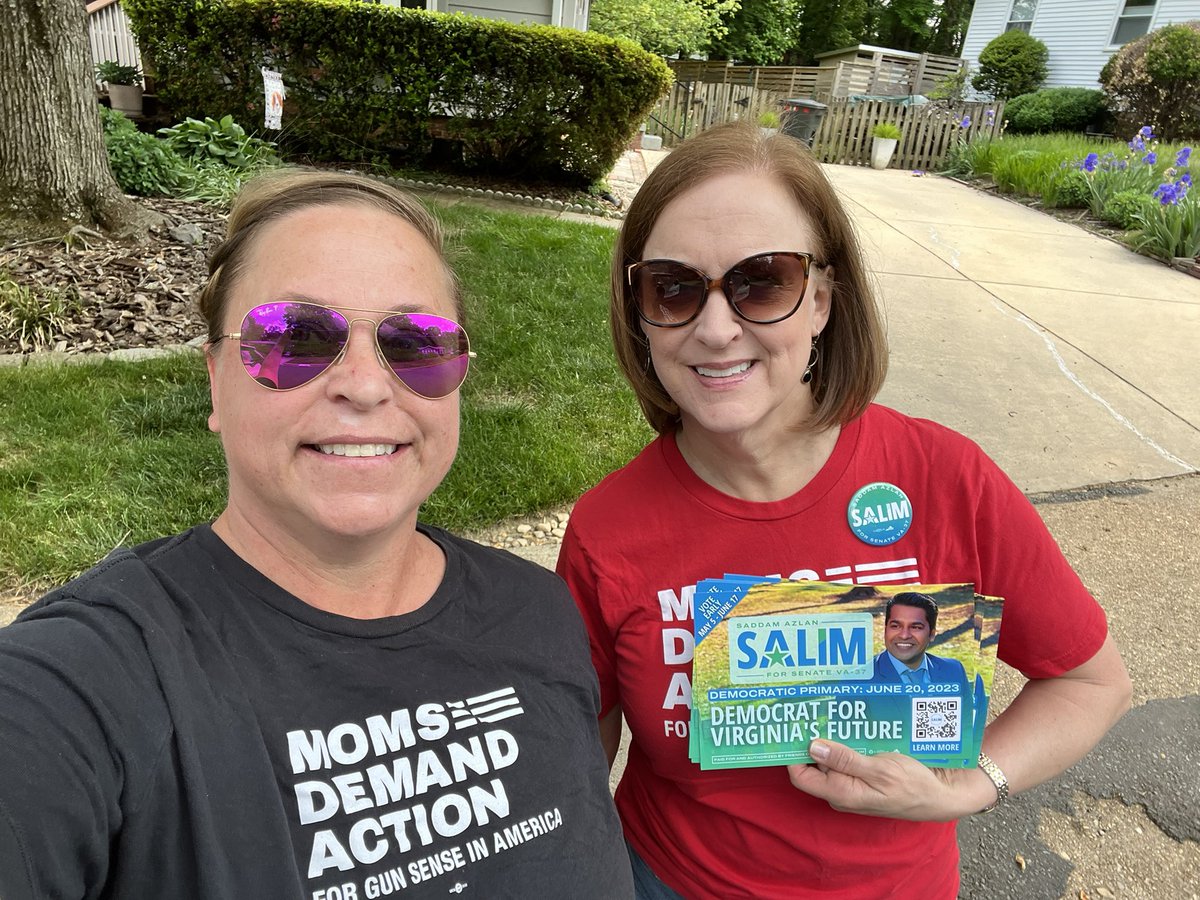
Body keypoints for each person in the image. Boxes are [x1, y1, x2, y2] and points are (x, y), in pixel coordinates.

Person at [0, 171, 632, 900]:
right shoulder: (90, 677)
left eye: (415, 342)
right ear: (213, 381)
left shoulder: (540, 612)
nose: (364, 384)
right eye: (295, 337)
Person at [556, 123, 1132, 899]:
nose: (716, 327)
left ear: (823, 300)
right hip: (669, 881)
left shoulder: (943, 477)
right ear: (641, 311)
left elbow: (1091, 682)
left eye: (763, 281)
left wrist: (971, 785)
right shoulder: (608, 530)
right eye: (675, 286)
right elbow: (581, 751)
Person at [872, 591, 967, 686]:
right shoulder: (861, 678)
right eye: (895, 626)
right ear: (885, 630)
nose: (904, 636)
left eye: (916, 627)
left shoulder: (954, 670)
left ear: (932, 634)